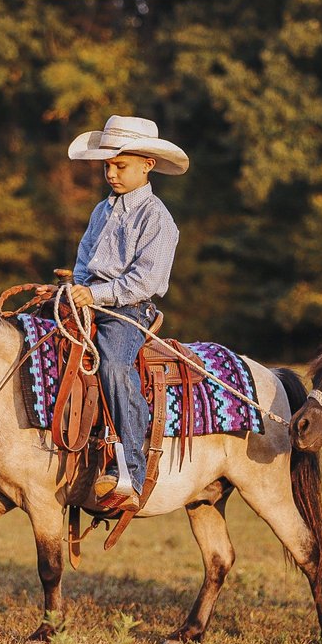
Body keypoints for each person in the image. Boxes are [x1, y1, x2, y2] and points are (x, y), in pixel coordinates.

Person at [40, 115, 189, 510]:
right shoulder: (101, 212)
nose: (110, 173)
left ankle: (131, 472)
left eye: (120, 165)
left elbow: (145, 281)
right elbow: (85, 258)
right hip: (89, 300)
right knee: (37, 345)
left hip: (129, 311)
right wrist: (76, 287)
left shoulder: (157, 218)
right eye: (107, 165)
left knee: (113, 367)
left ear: (147, 165)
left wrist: (95, 293)